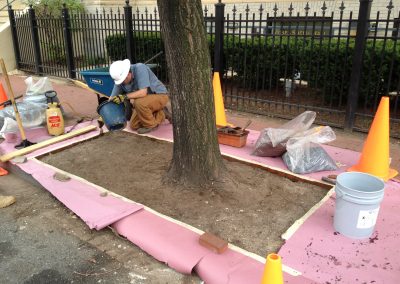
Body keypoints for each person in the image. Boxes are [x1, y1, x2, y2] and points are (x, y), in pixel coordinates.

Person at [109, 59, 171, 134]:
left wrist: (124, 97)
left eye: (122, 80)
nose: (121, 83)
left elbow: (143, 92)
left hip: (160, 95)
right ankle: (161, 113)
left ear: (128, 74)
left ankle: (151, 125)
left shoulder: (140, 68)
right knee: (134, 125)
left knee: (138, 102)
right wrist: (104, 114)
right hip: (145, 102)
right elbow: (112, 98)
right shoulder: (120, 78)